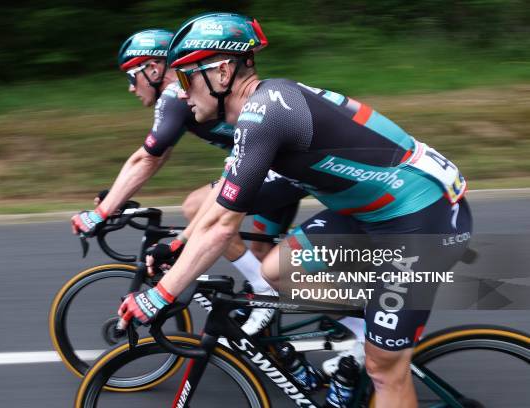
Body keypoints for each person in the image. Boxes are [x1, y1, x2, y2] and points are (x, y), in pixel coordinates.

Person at [117, 13, 473, 408]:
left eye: (185, 78)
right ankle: (373, 323)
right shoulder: (257, 113)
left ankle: (380, 342)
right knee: (276, 271)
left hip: (423, 218)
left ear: (221, 73)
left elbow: (220, 227)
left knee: (384, 368)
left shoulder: (266, 113)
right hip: (370, 213)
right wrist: (179, 243)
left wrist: (160, 296)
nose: (180, 94)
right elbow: (221, 210)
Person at [70, 28, 307, 334]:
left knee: (199, 207)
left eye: (132, 76)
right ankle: (319, 322)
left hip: (274, 168)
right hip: (270, 167)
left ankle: (265, 293)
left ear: (153, 69)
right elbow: (155, 154)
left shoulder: (173, 97)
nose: (130, 88)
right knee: (263, 259)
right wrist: (113, 200)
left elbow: (148, 160)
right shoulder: (186, 94)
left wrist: (100, 215)